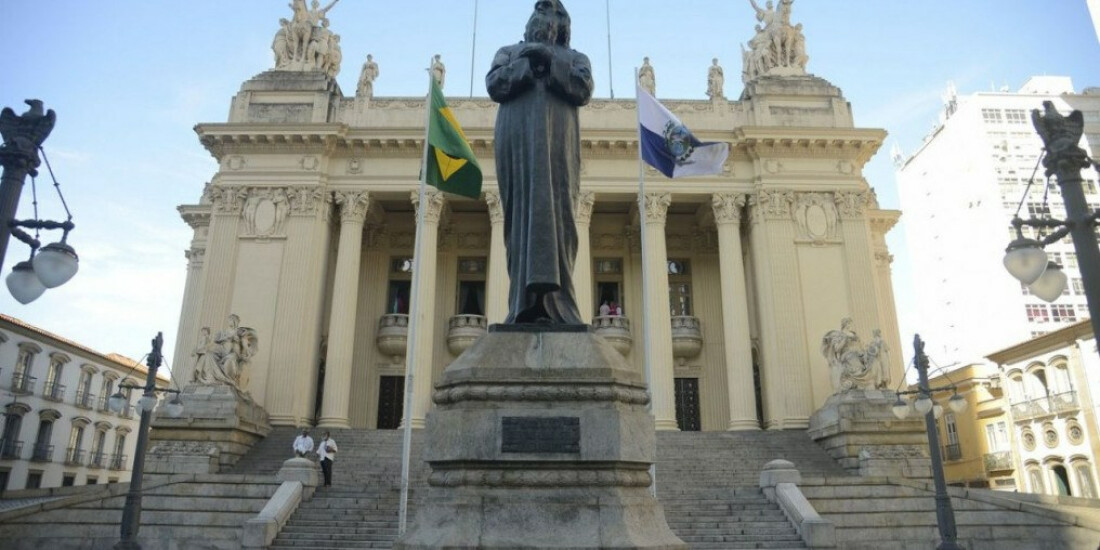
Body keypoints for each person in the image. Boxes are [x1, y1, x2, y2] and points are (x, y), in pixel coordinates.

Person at [486, 0, 594, 324]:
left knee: (560, 219)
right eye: (540, 12)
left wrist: (551, 63)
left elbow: (583, 87)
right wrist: (528, 64)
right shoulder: (508, 52)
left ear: (563, 25)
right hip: (518, 147)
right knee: (519, 220)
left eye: (552, 13)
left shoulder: (575, 57)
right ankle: (522, 304)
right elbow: (494, 83)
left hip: (558, 148)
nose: (544, 19)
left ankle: (559, 305)